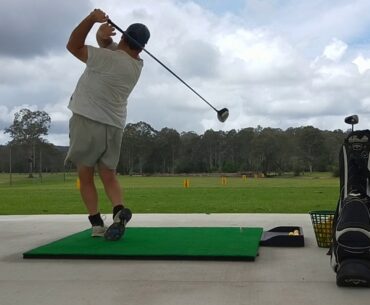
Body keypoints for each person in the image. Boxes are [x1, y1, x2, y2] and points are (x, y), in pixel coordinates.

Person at [65, 8, 150, 241]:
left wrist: (91, 20)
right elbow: (109, 47)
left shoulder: (107, 59)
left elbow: (73, 45)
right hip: (114, 126)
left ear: (123, 37)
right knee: (108, 175)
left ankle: (96, 224)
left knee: (85, 175)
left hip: (88, 119)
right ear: (141, 47)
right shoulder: (136, 65)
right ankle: (118, 210)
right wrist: (103, 36)